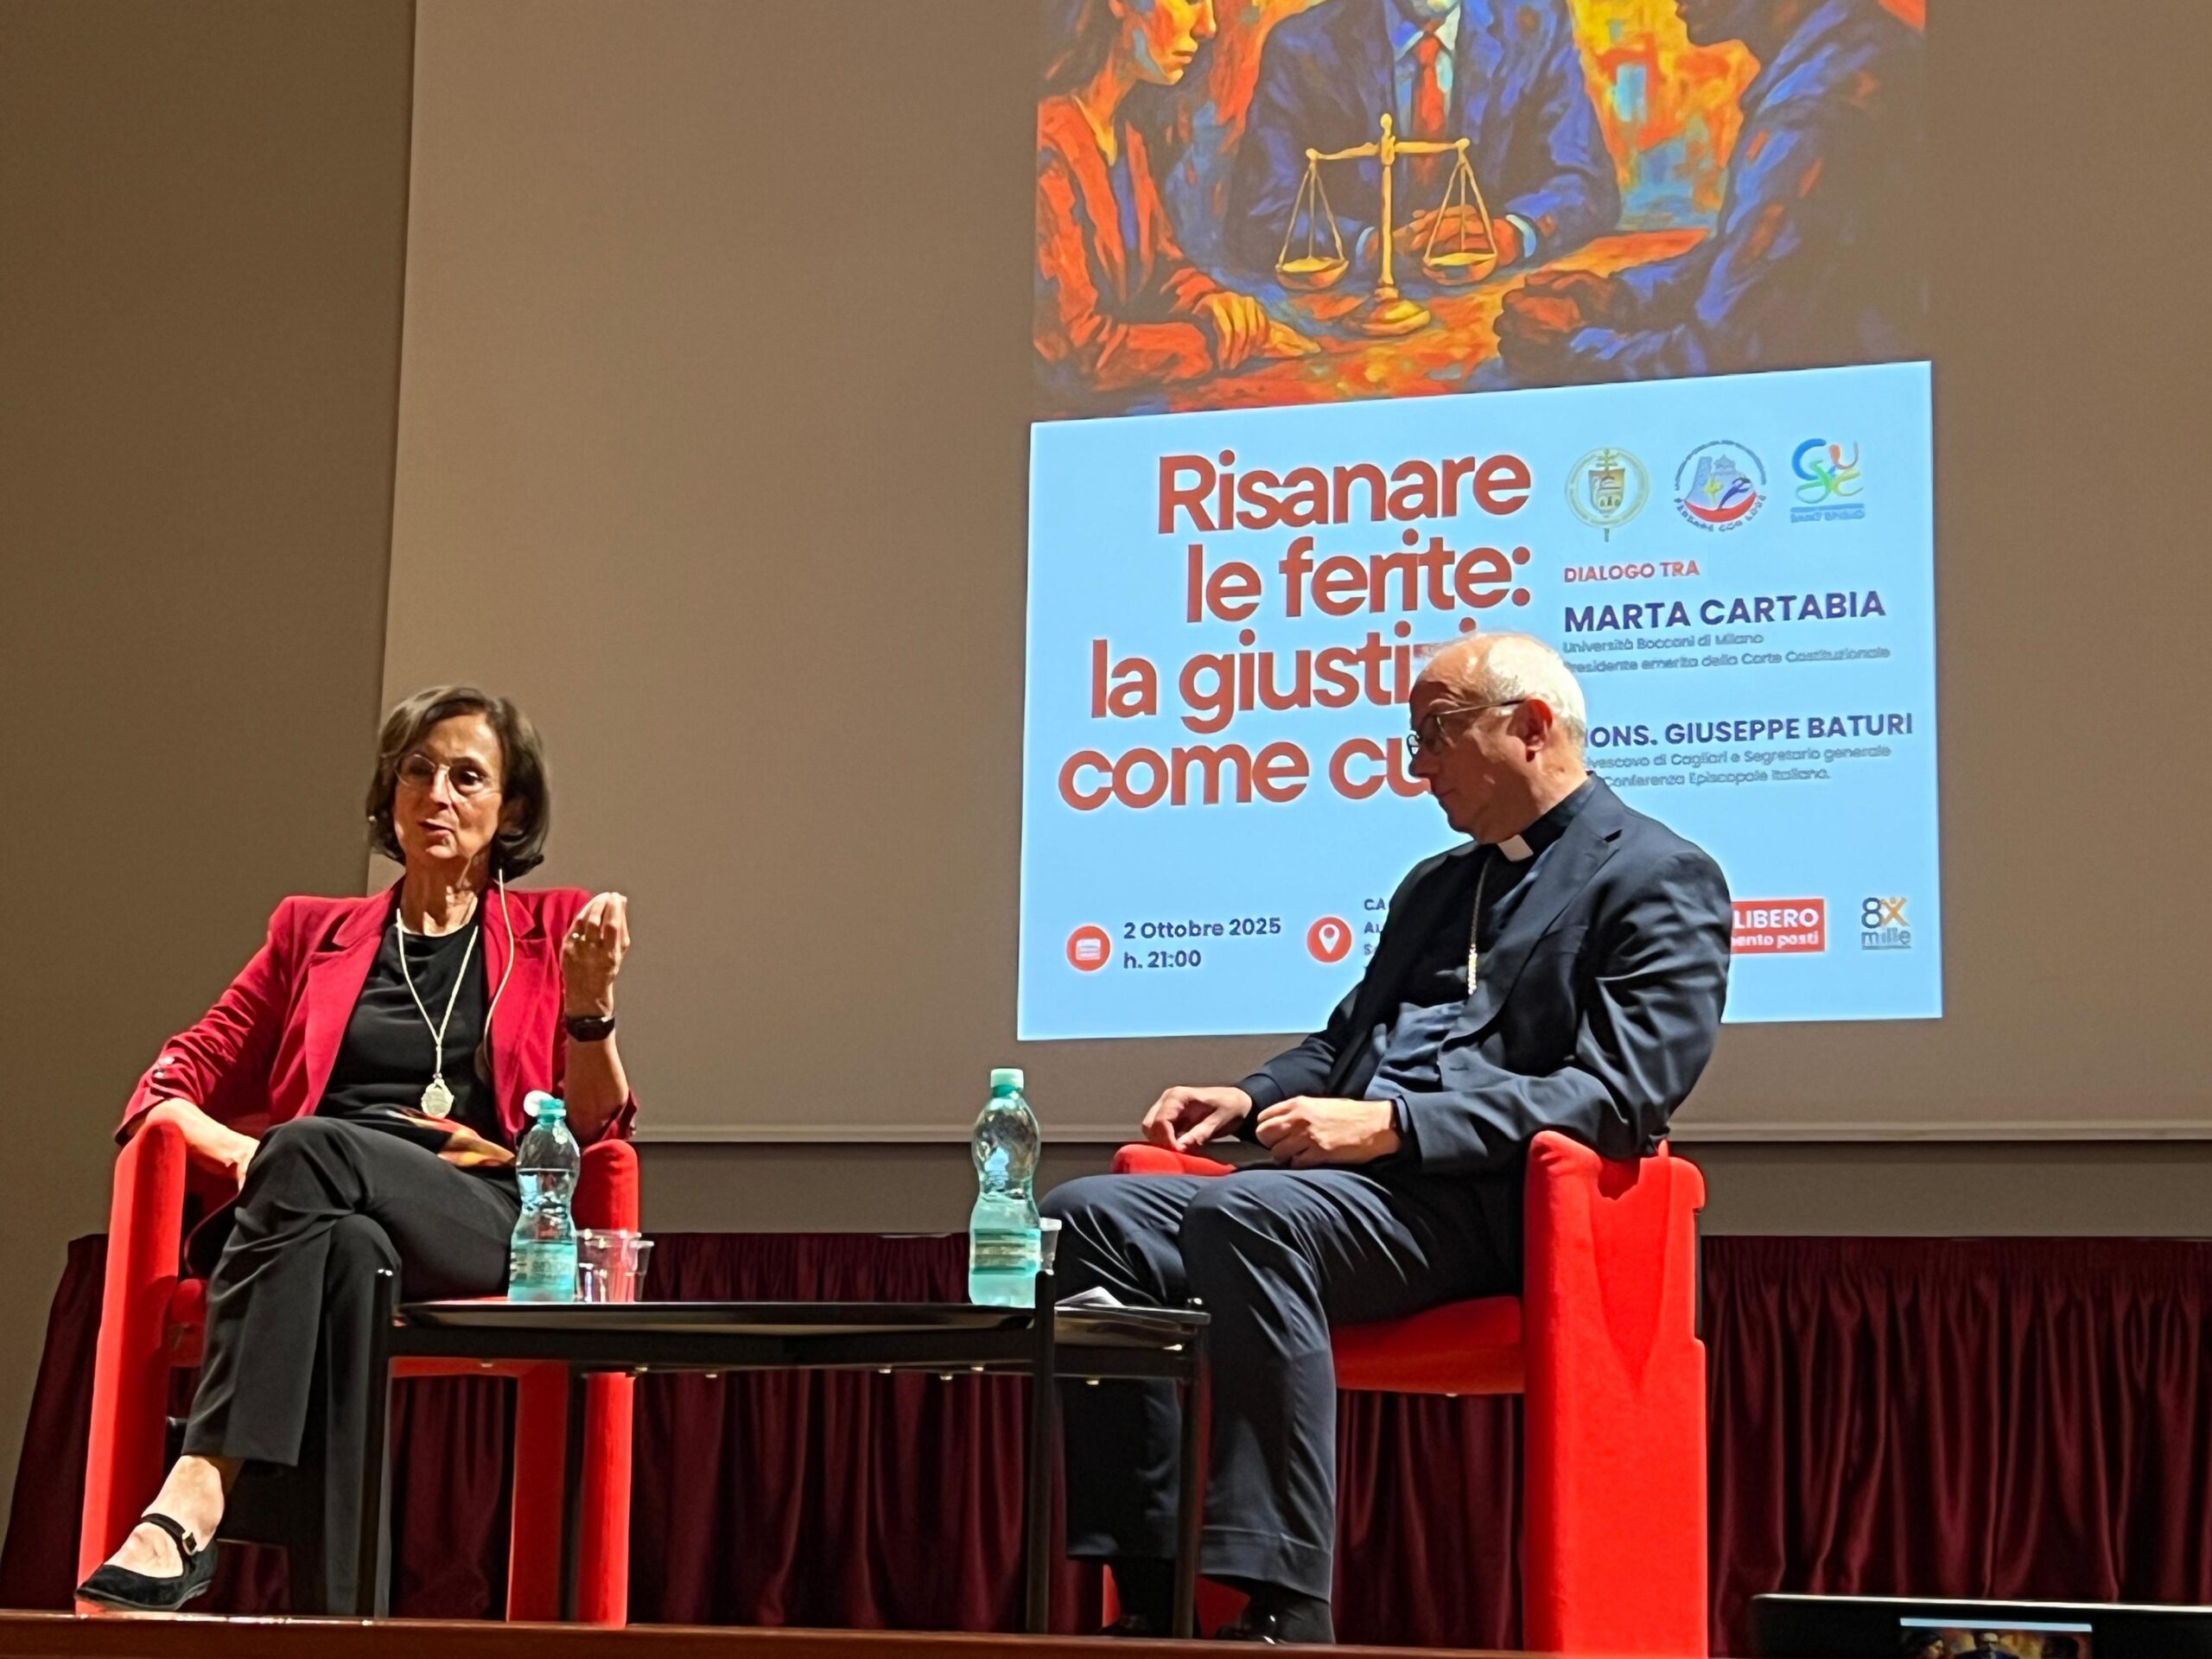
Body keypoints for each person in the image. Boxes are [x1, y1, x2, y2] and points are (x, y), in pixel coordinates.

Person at [1044, 632, 1732, 1643]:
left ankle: (1283, 1607)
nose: (1417, 768)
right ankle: (1153, 1593)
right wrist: (1245, 1099)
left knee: (1249, 1214)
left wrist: (1397, 1126)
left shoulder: (1655, 874)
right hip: (1351, 1200)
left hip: (1488, 1208)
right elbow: (1346, 1042)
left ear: (1531, 726)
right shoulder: (1434, 887)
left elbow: (1619, 1095)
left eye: (1436, 734)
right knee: (1088, 1220)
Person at [76, 686, 637, 1614]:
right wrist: (251, 1156)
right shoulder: (312, 934)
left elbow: (594, 1136)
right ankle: (341, 1624)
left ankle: (198, 1488)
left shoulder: (549, 931)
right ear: (391, 791)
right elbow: (163, 1089)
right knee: (344, 1251)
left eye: (467, 777)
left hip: (474, 1212)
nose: (437, 794)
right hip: (313, 1205)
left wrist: (590, 1011)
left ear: (512, 810)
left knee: (311, 1155)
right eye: (418, 771)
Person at [1496, 0, 1924, 384]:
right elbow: (1760, 261)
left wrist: (1566, 347)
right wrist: (1623, 298)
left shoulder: (1810, 116)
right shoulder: (1852, 50)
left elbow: (1722, 353)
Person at [1036, 0, 1314, 408]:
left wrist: (1213, 303)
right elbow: (1082, 353)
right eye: (1189, 1)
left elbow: (1163, 267)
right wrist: (1213, 343)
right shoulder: (1048, 145)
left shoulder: (1126, 136)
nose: (1209, 27)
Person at [1224, 0, 1620, 278]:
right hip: (1349, 315)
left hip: (1490, 299)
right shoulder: (1302, 48)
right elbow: (1260, 217)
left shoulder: (1534, 27)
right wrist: (1374, 250)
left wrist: (1509, 234)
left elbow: (1586, 183)